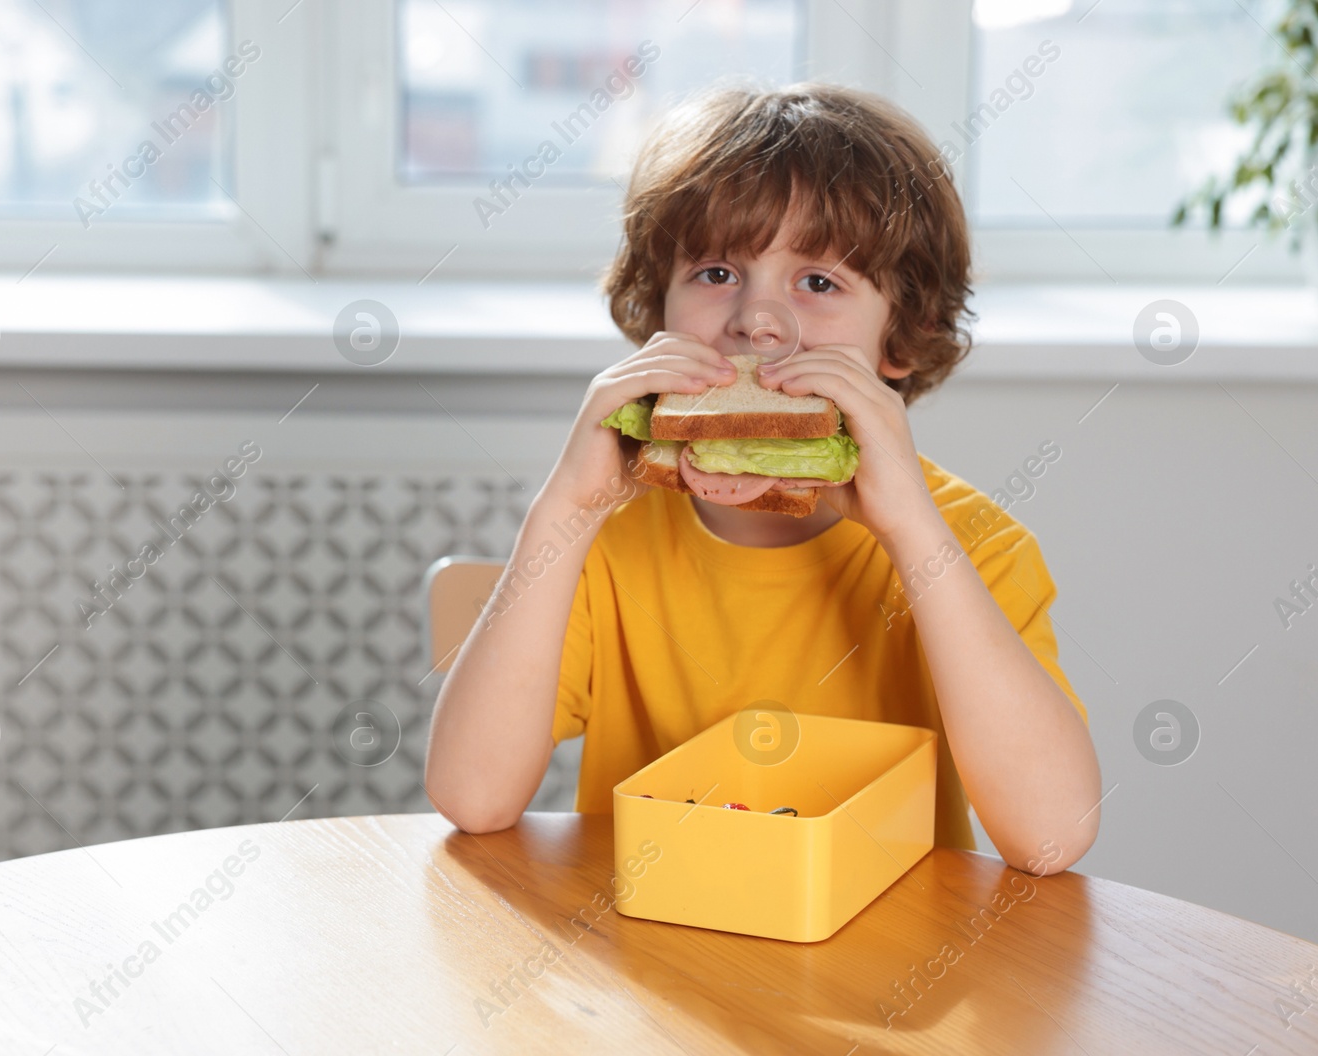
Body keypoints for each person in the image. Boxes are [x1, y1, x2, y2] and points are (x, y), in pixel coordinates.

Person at [424, 83, 1101, 874]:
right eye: (716, 272)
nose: (757, 320)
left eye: (819, 283)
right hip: (652, 952)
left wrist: (913, 534)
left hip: (886, 977)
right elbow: (472, 797)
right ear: (658, 312)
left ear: (902, 340)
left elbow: (1052, 836)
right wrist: (562, 511)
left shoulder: (971, 543)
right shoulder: (606, 536)